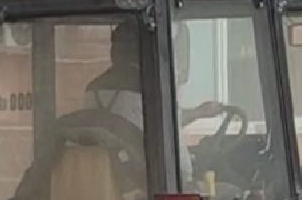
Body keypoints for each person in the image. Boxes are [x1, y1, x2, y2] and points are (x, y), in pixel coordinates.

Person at [83, 23, 223, 189]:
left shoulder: (92, 88)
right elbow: (169, 131)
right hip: (150, 182)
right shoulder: (150, 89)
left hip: (115, 178)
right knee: (229, 192)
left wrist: (199, 112)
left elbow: (141, 120)